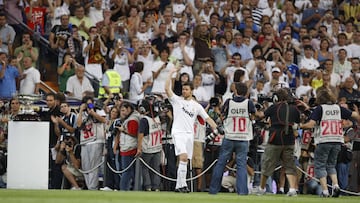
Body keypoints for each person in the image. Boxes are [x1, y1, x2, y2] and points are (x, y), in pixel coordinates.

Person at [164, 67, 218, 193]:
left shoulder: (196, 106)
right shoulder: (177, 101)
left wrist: (217, 128)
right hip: (178, 133)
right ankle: (180, 185)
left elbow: (207, 118)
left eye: (186, 89)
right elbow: (167, 89)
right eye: (183, 89)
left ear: (191, 91)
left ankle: (181, 186)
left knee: (185, 160)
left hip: (190, 135)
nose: (184, 91)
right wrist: (171, 73)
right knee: (183, 157)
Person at [300, 90, 360, 197]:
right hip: (337, 140)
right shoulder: (338, 108)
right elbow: (354, 115)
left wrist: (300, 126)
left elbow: (311, 124)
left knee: (320, 166)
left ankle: (325, 191)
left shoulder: (320, 109)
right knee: (331, 165)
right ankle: (336, 186)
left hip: (324, 140)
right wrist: (355, 110)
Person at [209, 82, 257, 195]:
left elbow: (222, 116)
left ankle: (213, 190)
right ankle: (242, 191)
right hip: (243, 137)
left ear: (236, 91)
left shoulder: (229, 102)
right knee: (241, 165)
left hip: (229, 136)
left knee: (221, 163)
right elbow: (253, 116)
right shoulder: (248, 103)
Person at [255, 88, 302, 197]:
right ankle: (292, 189)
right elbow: (297, 121)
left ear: (276, 98)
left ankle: (261, 188)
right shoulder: (294, 109)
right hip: (289, 139)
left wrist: (258, 108)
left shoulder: (273, 107)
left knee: (267, 164)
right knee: (290, 165)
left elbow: (261, 116)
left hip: (275, 139)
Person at [76, 95, 106, 190]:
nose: (89, 105)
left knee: (93, 167)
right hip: (85, 142)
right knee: (85, 167)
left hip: (96, 140)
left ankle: (93, 187)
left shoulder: (99, 110)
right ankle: (90, 187)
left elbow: (104, 120)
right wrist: (81, 110)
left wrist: (93, 113)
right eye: (87, 104)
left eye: (90, 103)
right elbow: (79, 124)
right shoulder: (81, 113)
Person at [136, 99, 162, 191]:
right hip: (158, 147)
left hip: (147, 148)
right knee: (156, 169)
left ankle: (148, 187)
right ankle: (156, 187)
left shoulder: (144, 120)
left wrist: (139, 148)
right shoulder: (158, 118)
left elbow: (140, 135)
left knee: (145, 169)